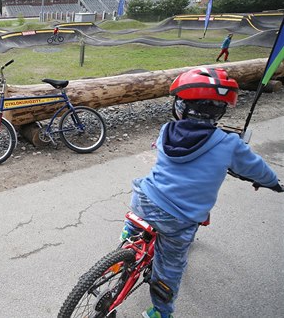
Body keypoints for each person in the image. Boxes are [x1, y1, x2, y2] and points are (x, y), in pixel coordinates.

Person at [119, 67, 283, 318]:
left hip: (144, 201)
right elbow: (256, 168)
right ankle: (160, 312)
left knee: (143, 192)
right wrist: (272, 182)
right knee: (170, 267)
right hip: (179, 217)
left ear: (180, 106)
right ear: (220, 110)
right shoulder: (229, 144)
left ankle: (128, 239)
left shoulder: (165, 131)